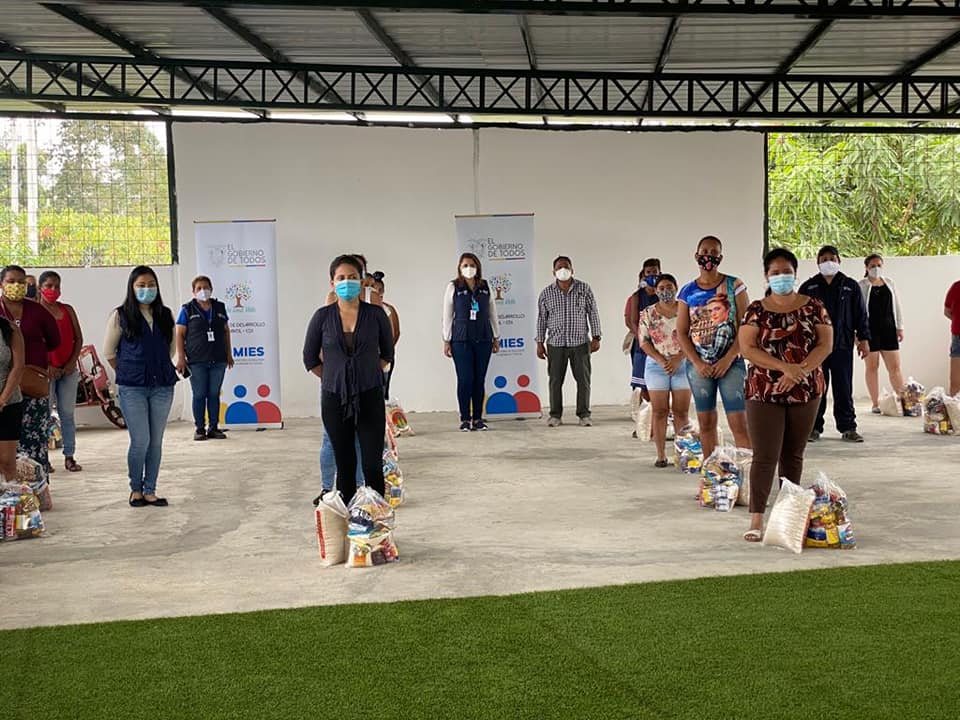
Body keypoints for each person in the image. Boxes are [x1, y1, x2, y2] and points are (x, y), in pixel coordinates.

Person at [739, 248, 834, 542]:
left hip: (806, 389)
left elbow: (825, 344)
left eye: (786, 272)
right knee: (764, 456)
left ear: (795, 273)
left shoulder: (814, 306)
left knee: (793, 454)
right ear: (766, 276)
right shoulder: (756, 310)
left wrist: (799, 371)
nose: (781, 277)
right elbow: (747, 348)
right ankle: (757, 519)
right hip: (763, 390)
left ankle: (788, 516)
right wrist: (784, 369)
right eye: (775, 273)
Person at [303, 255, 394, 505]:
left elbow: (387, 353)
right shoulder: (322, 317)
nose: (347, 282)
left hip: (370, 395)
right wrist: (335, 378)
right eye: (341, 278)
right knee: (345, 463)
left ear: (362, 281)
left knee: (372, 463)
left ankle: (374, 520)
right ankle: (349, 519)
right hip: (334, 398)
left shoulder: (376, 315)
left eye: (352, 277)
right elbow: (309, 357)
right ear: (332, 283)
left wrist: (365, 374)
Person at [104, 266, 178, 507]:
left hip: (162, 386)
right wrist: (129, 370)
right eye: (141, 285)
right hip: (132, 388)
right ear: (132, 288)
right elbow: (109, 352)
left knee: (156, 441)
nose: (147, 289)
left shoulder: (166, 315)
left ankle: (150, 490)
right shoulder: (120, 316)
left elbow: (170, 349)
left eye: (151, 285)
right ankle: (135, 489)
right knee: (141, 441)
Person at [676, 236, 751, 459]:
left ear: (720, 257)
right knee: (706, 422)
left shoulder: (734, 286)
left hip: (731, 364)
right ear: (696, 255)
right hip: (699, 367)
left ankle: (747, 472)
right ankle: (712, 472)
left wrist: (728, 359)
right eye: (704, 251)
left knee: (739, 422)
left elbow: (746, 326)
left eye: (714, 252)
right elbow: (682, 332)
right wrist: (697, 363)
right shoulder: (687, 292)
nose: (708, 256)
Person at [799, 246, 870, 443]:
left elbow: (860, 314)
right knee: (817, 388)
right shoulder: (809, 287)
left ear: (839, 261)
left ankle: (848, 428)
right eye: (824, 259)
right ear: (818, 263)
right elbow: (798, 317)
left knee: (843, 388)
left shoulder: (850, 286)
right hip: (815, 348)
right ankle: (813, 428)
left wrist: (863, 340)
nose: (828, 262)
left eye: (832, 258)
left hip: (842, 345)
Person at [0, 265, 60, 471]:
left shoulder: (37, 311)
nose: (16, 285)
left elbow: (54, 340)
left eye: (21, 282)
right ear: (1, 284)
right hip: (3, 389)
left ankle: (38, 486)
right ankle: (10, 488)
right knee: (7, 450)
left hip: (32, 383)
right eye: (11, 281)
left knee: (34, 441)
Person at [536, 256, 602, 427]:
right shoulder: (546, 293)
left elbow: (593, 313)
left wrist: (596, 336)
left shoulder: (584, 289)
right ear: (553, 272)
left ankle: (584, 414)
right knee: (555, 381)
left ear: (572, 270)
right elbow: (542, 319)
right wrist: (539, 342)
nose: (562, 270)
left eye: (566, 267)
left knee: (583, 381)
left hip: (580, 343)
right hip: (555, 344)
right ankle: (555, 415)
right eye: (559, 268)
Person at [637, 273, 691, 467]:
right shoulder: (648, 313)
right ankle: (661, 455)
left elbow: (694, 338)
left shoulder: (686, 311)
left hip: (683, 363)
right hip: (656, 365)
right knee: (659, 411)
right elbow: (644, 341)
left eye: (669, 287)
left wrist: (678, 358)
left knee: (681, 412)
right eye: (661, 288)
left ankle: (683, 455)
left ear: (676, 288)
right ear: (655, 291)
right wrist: (660, 360)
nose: (665, 291)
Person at [442, 253, 500, 431]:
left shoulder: (485, 286)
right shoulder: (453, 287)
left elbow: (492, 312)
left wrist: (496, 336)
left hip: (483, 338)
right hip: (461, 340)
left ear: (478, 267)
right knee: (465, 379)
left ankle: (478, 418)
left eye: (472, 265)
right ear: (460, 268)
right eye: (465, 265)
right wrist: (446, 339)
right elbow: (447, 315)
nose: (469, 268)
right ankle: (465, 418)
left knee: (479, 379)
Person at [175, 276, 233, 441]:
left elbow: (226, 331)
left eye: (206, 287)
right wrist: (181, 358)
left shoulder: (220, 307)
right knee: (199, 394)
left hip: (218, 360)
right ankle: (200, 428)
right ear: (193, 292)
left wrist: (229, 354)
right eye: (199, 288)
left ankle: (214, 427)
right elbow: (179, 334)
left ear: (211, 289)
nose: (203, 291)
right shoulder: (187, 309)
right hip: (196, 361)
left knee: (214, 394)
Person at [38, 271, 84, 472]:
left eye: (57, 286)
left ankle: (69, 456)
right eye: (49, 285)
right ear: (40, 287)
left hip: (68, 371)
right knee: (44, 415)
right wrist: (48, 366)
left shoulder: (67, 310)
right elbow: (32, 343)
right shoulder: (35, 311)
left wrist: (71, 363)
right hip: (44, 372)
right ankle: (43, 459)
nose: (53, 290)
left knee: (67, 414)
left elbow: (78, 338)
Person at [858, 254, 905, 413]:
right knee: (872, 367)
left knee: (895, 367)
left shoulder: (889, 283)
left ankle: (903, 401)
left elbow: (897, 305)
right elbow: (857, 311)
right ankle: (875, 403)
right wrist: (858, 335)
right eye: (872, 266)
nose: (876, 268)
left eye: (879, 265)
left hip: (889, 329)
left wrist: (900, 327)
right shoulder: (861, 285)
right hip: (869, 331)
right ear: (866, 267)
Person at [624, 258, 661, 401]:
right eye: (648, 272)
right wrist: (643, 338)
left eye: (655, 272)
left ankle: (659, 407)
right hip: (641, 343)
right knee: (640, 380)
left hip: (660, 343)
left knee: (659, 378)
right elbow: (633, 322)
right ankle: (639, 408)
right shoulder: (636, 297)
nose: (652, 275)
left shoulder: (662, 294)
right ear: (643, 274)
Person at [0, 315, 25, 483]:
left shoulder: (10, 329)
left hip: (9, 403)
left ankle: (11, 496)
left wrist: (2, 399)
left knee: (7, 463)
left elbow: (18, 366)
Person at [370, 271, 400, 401]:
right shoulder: (363, 310)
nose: (376, 292)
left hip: (384, 356)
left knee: (383, 390)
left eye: (379, 290)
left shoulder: (388, 309)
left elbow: (395, 333)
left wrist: (386, 350)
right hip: (367, 357)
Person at [947, 279, 960, 396]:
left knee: (955, 382)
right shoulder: (956, 287)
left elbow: (947, 312)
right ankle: (954, 404)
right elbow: (947, 311)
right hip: (958, 336)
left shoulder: (956, 286)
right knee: (955, 382)